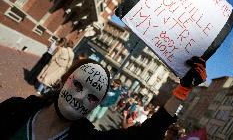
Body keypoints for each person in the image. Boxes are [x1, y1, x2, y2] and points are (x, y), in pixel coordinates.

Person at [1, 57, 206, 140]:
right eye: (78, 85)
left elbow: (144, 135)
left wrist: (182, 91)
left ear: (96, 105)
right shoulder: (16, 108)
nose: (80, 97)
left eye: (92, 96)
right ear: (65, 80)